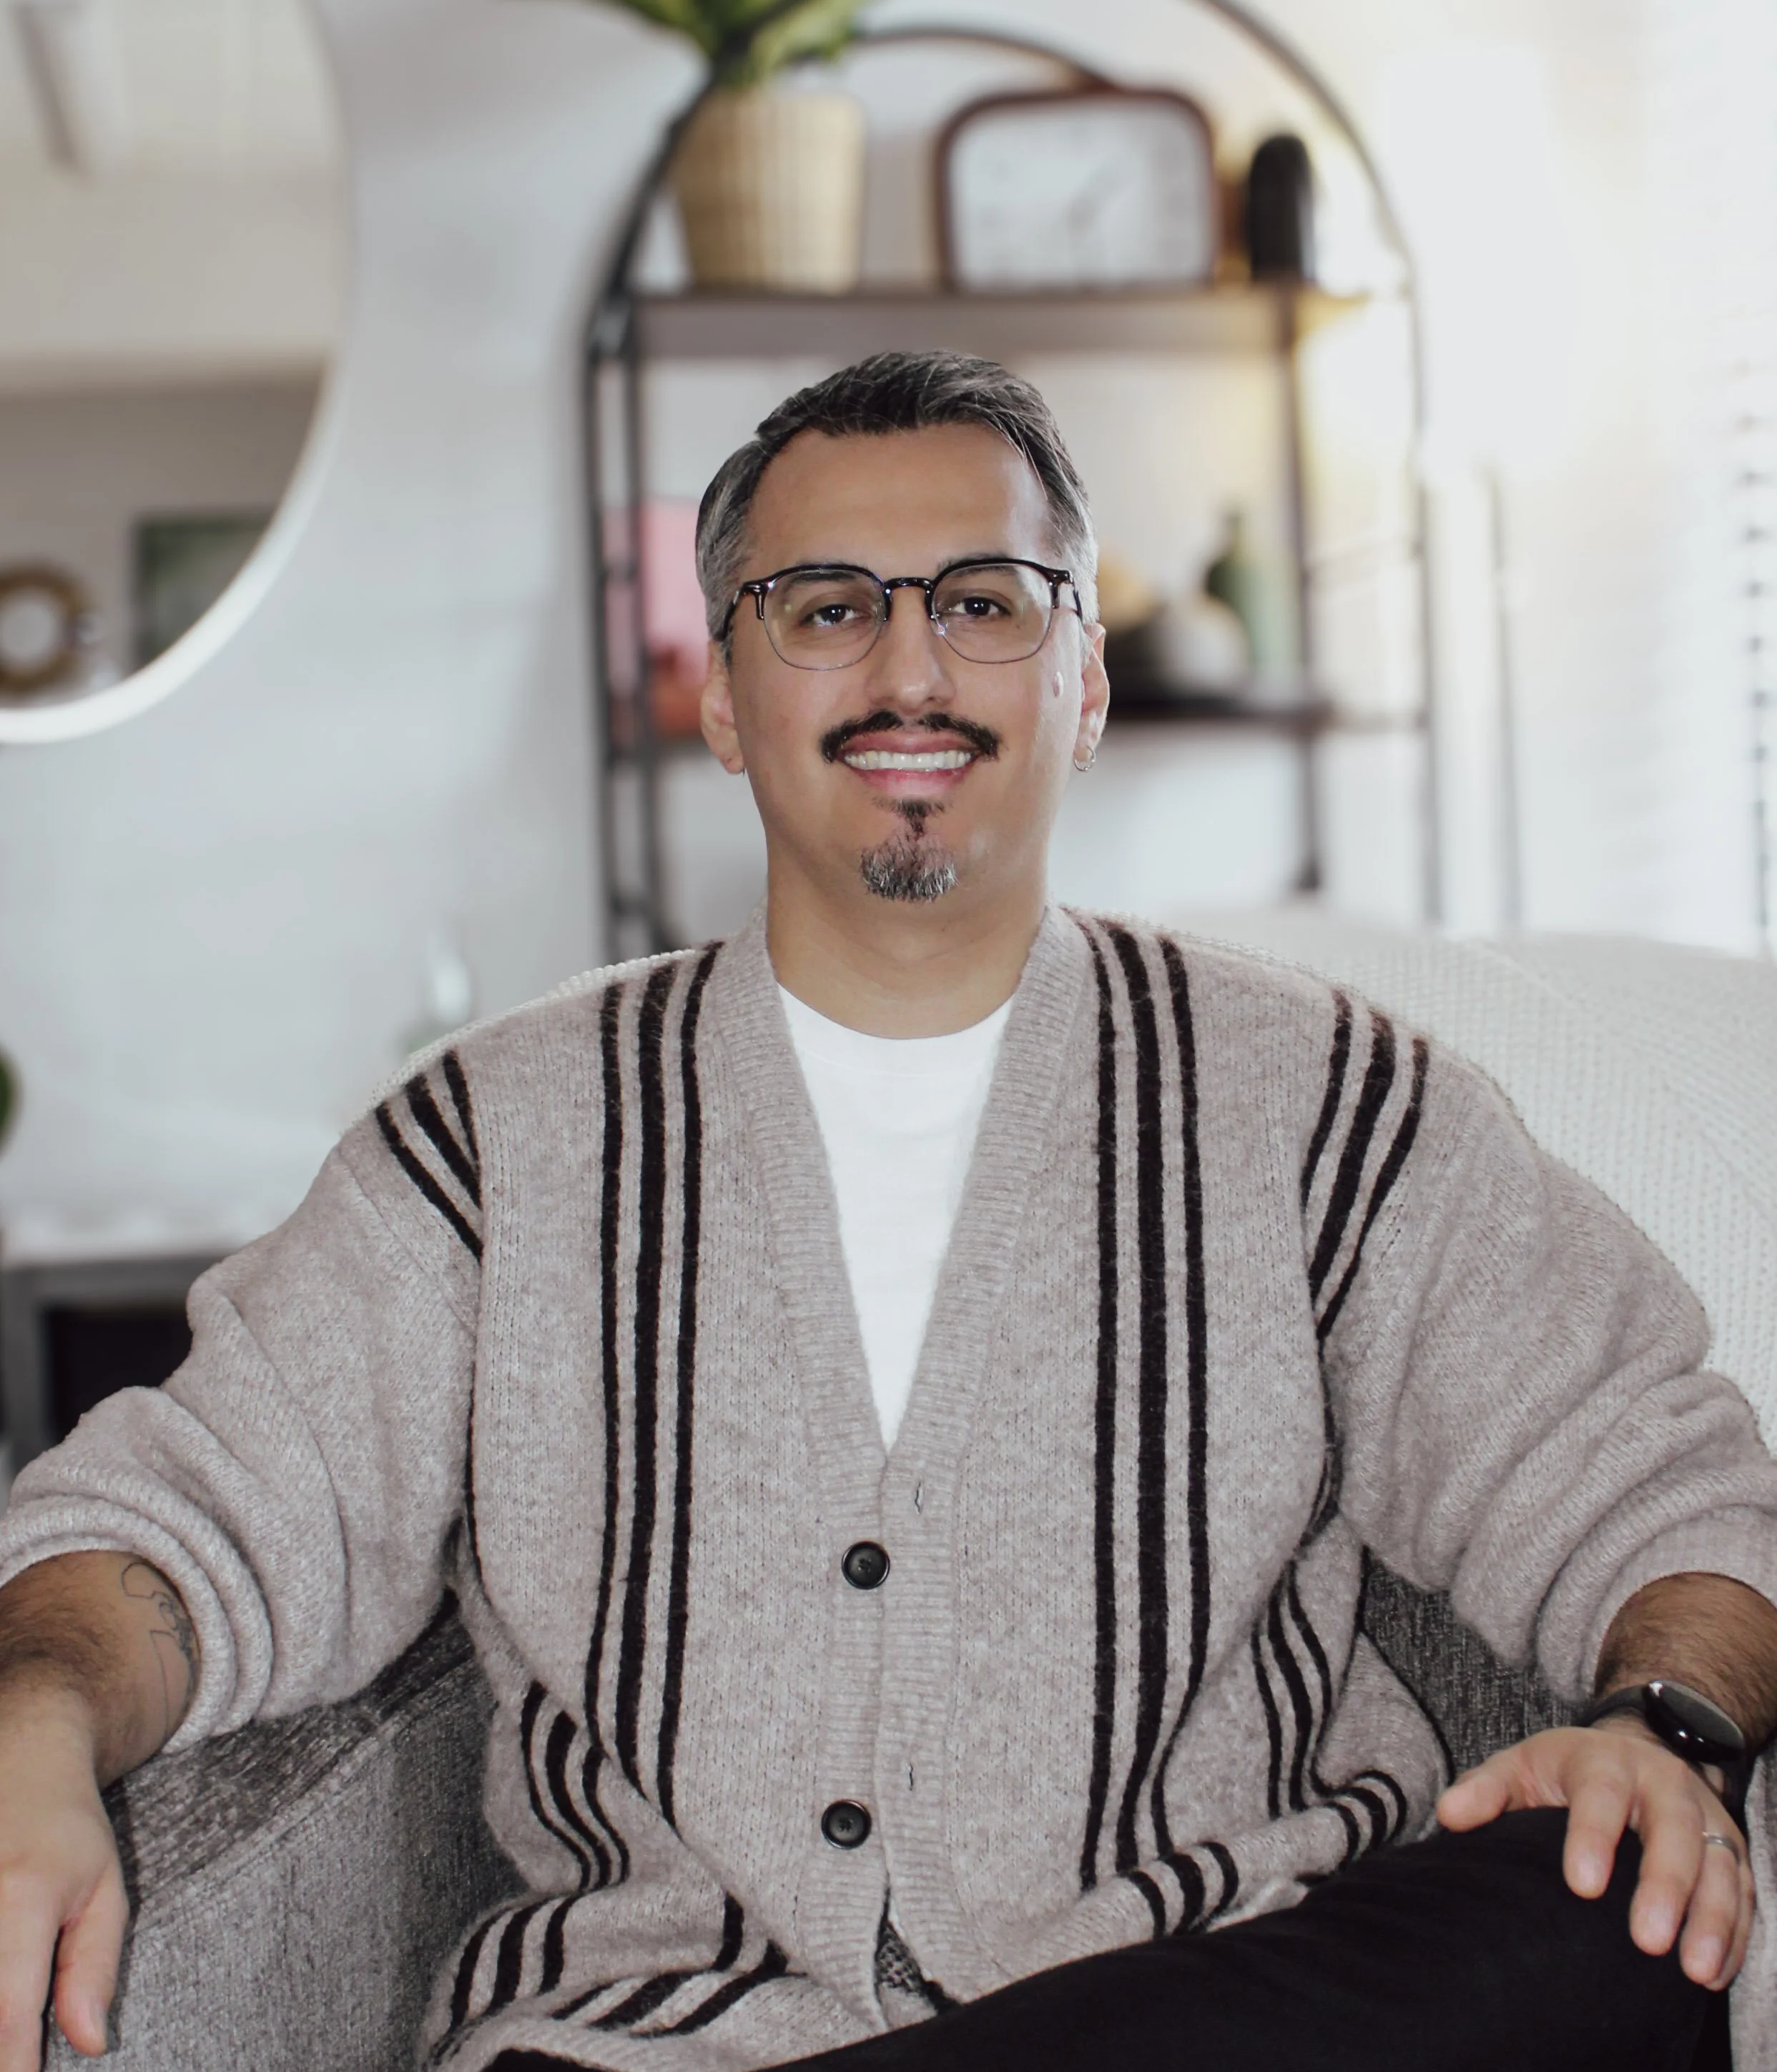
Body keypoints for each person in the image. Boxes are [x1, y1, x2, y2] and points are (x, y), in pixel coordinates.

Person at [0, 350, 1773, 2072]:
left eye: (986, 602)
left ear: (1084, 680)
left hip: (1217, 1992)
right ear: (723, 693)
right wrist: (36, 1713)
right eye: (828, 606)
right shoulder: (488, 1147)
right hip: (657, 2039)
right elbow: (186, 1515)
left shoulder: (1328, 1105)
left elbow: (1666, 1486)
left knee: (1604, 1904)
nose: (910, 667)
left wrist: (1662, 1725)